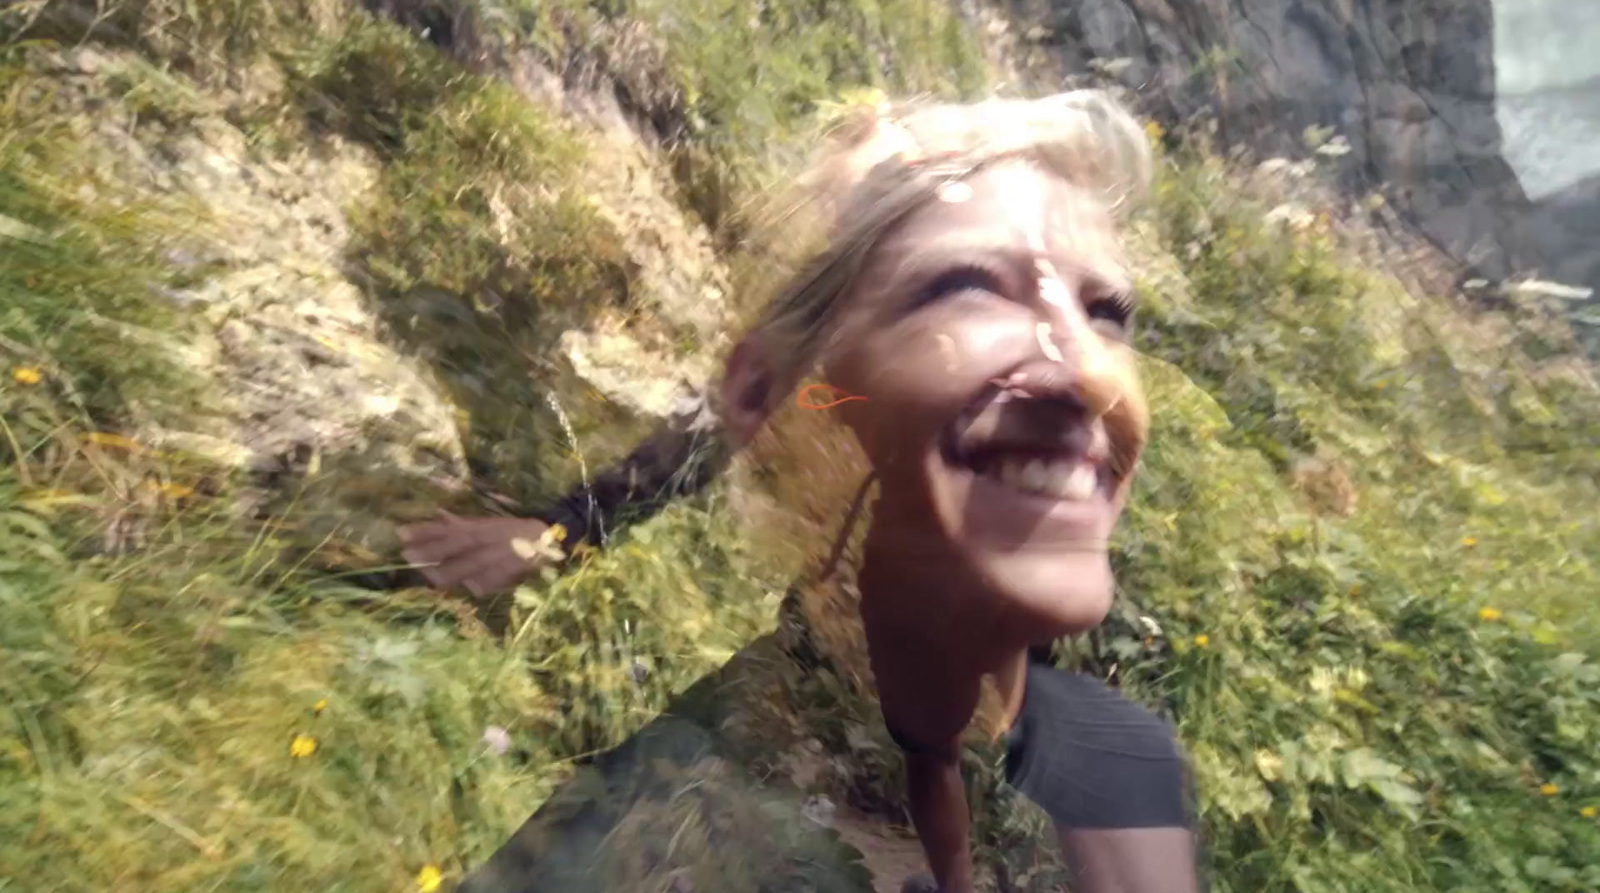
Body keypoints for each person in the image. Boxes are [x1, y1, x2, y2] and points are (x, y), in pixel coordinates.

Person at [401, 90, 1202, 893]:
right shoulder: (677, 829)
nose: (1091, 373)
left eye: (1109, 313)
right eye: (966, 283)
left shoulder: (1120, 755)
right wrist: (560, 530)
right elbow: (726, 414)